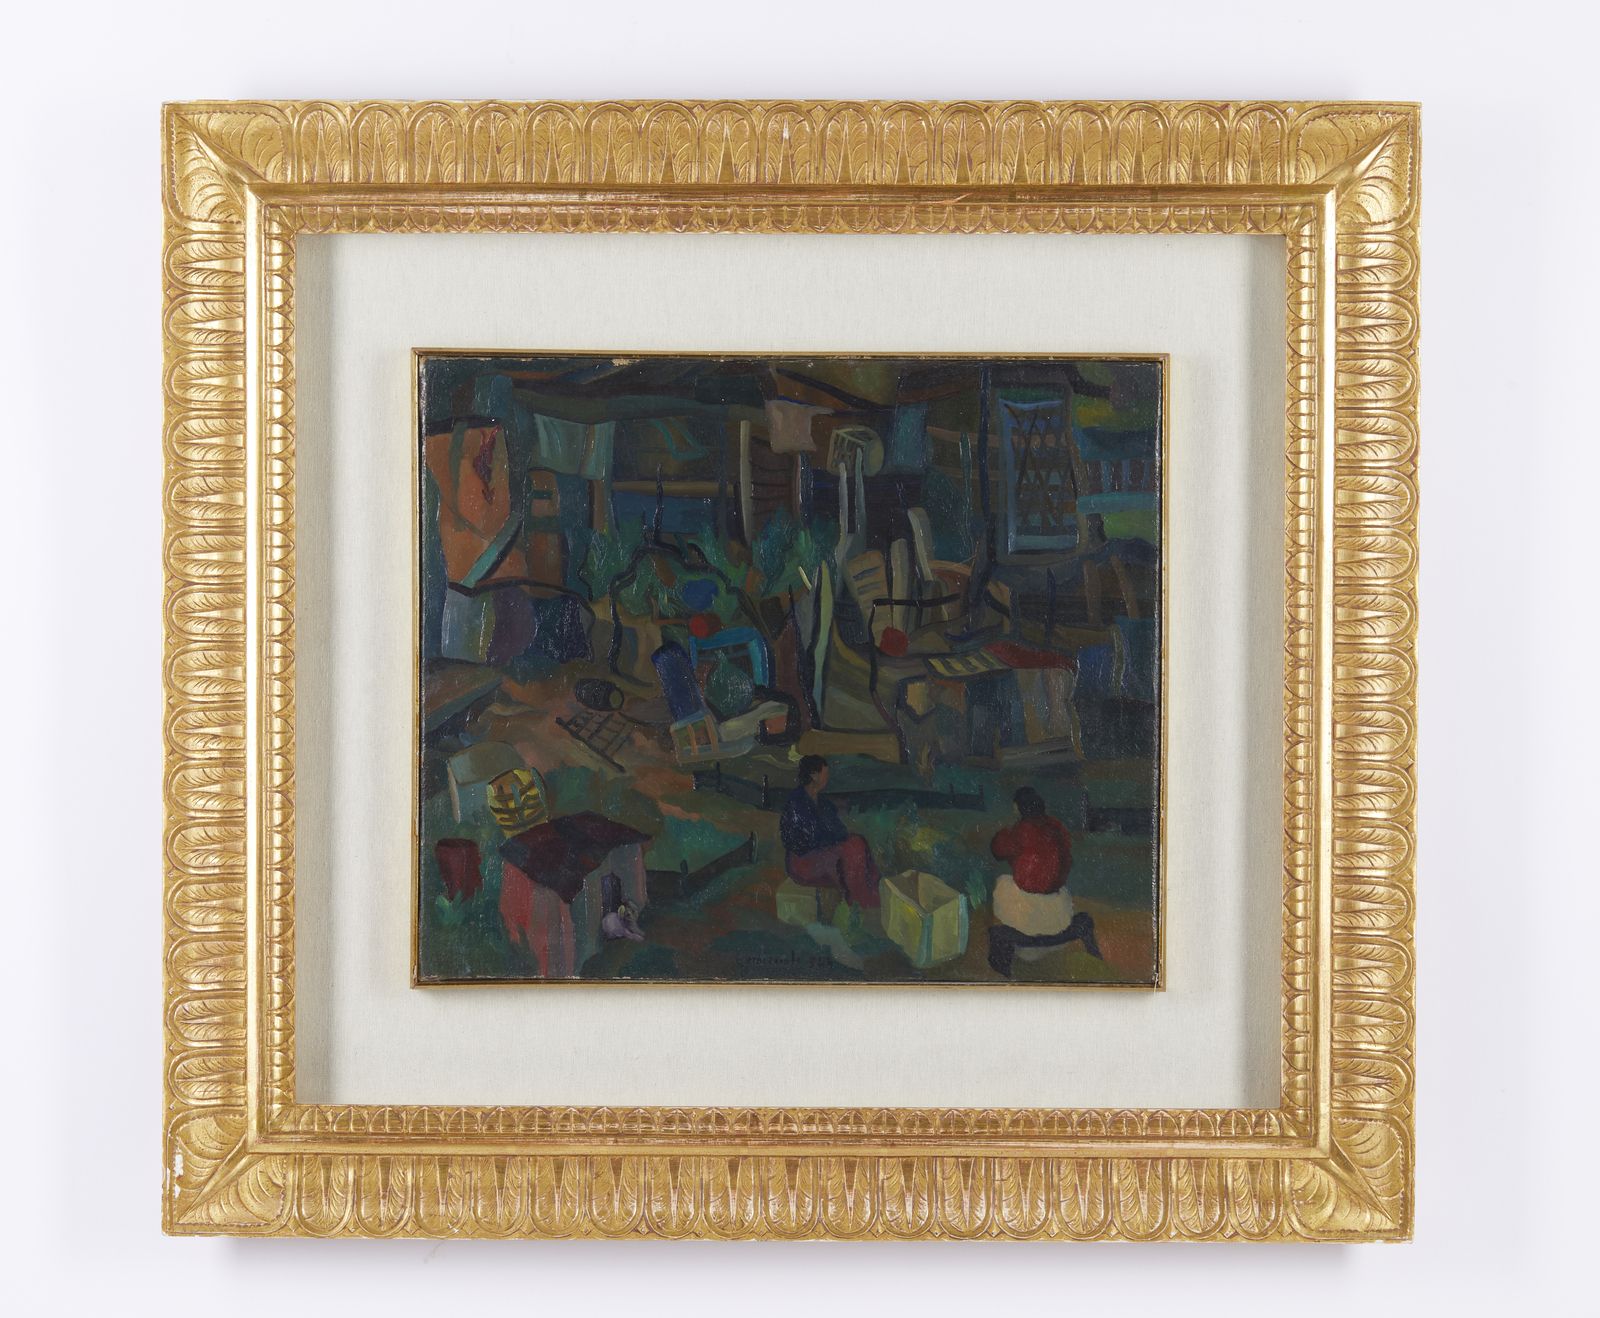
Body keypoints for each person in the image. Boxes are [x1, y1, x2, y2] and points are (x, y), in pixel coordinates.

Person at [987, 786, 1100, 975]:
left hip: (1030, 917)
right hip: (1060, 914)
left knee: (1003, 882)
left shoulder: (1021, 830)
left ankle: (1006, 965)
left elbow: (998, 849)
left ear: (1018, 807)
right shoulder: (1057, 827)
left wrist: (1008, 834)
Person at [779, 755, 881, 908]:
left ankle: (871, 891)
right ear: (814, 775)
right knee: (849, 850)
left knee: (857, 841)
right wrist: (831, 841)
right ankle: (859, 900)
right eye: (825, 773)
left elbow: (839, 831)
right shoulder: (796, 803)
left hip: (822, 853)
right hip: (802, 862)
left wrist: (833, 839)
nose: (827, 777)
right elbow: (800, 842)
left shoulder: (824, 803)